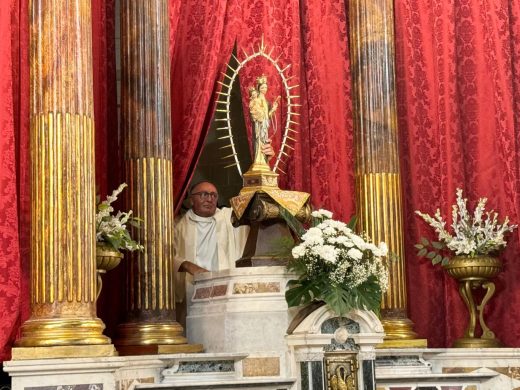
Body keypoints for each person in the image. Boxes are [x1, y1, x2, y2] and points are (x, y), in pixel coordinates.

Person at [174, 143, 275, 327]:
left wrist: (264, 164)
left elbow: (252, 200)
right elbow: (164, 255)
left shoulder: (228, 217)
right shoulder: (178, 225)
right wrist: (185, 264)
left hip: (223, 291)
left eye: (213, 195)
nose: (210, 199)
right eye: (204, 194)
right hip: (192, 290)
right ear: (191, 199)